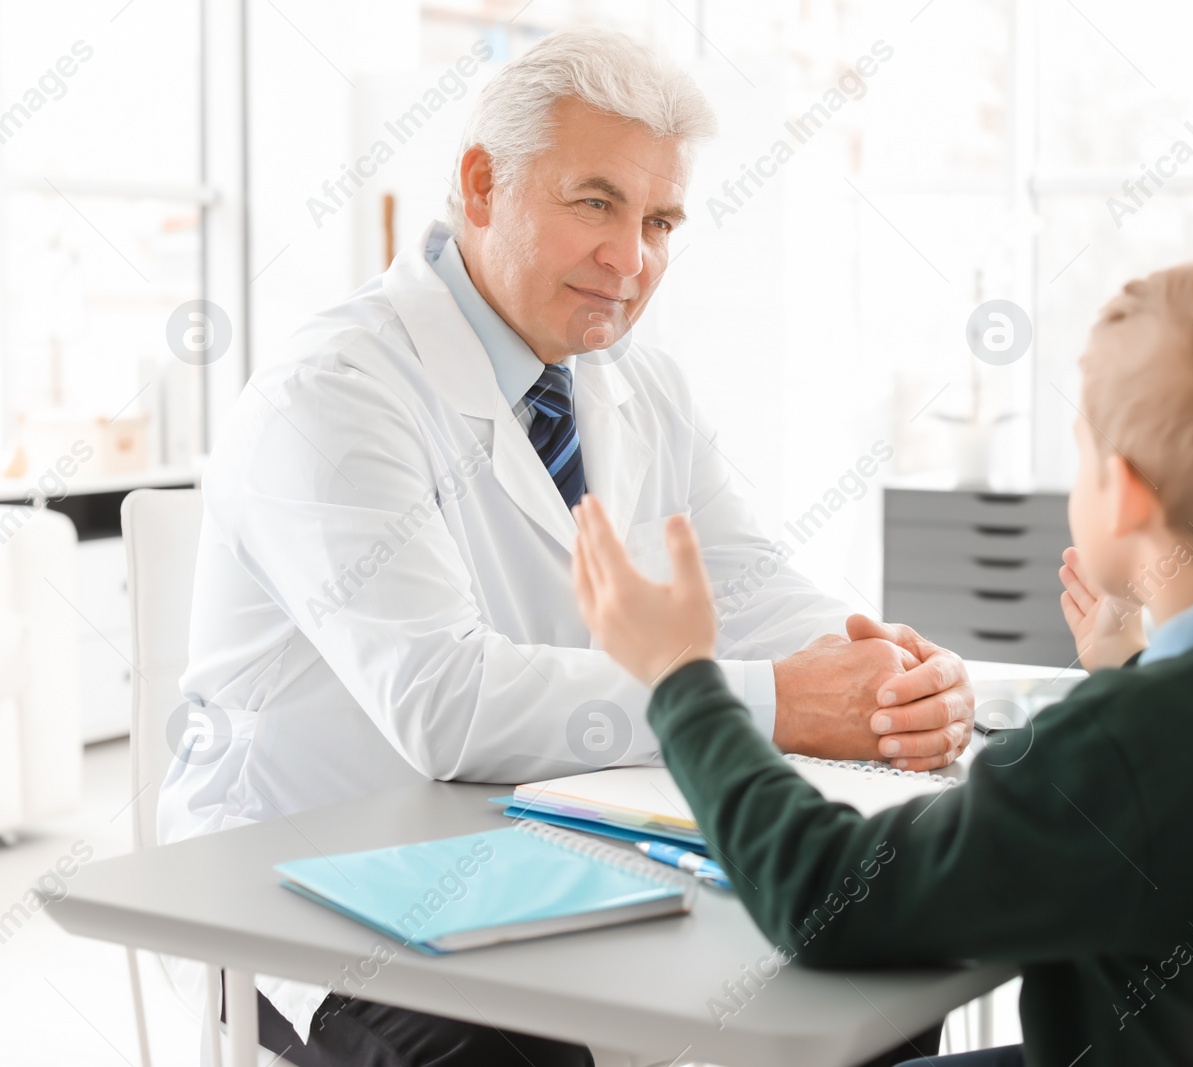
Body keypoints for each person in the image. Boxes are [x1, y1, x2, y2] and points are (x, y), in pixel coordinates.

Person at [161, 27, 972, 1066]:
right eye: (595, 202)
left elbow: (746, 581)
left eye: (661, 219)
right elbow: (445, 705)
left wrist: (878, 668)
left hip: (554, 847)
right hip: (319, 888)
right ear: (482, 184)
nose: (630, 260)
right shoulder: (334, 393)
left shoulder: (632, 377)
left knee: (866, 961)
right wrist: (780, 700)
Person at [569, 261, 1193, 1066]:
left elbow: (828, 897)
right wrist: (1129, 667)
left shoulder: (1118, 749)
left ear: (1126, 490)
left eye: (1080, 450)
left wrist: (683, 678)